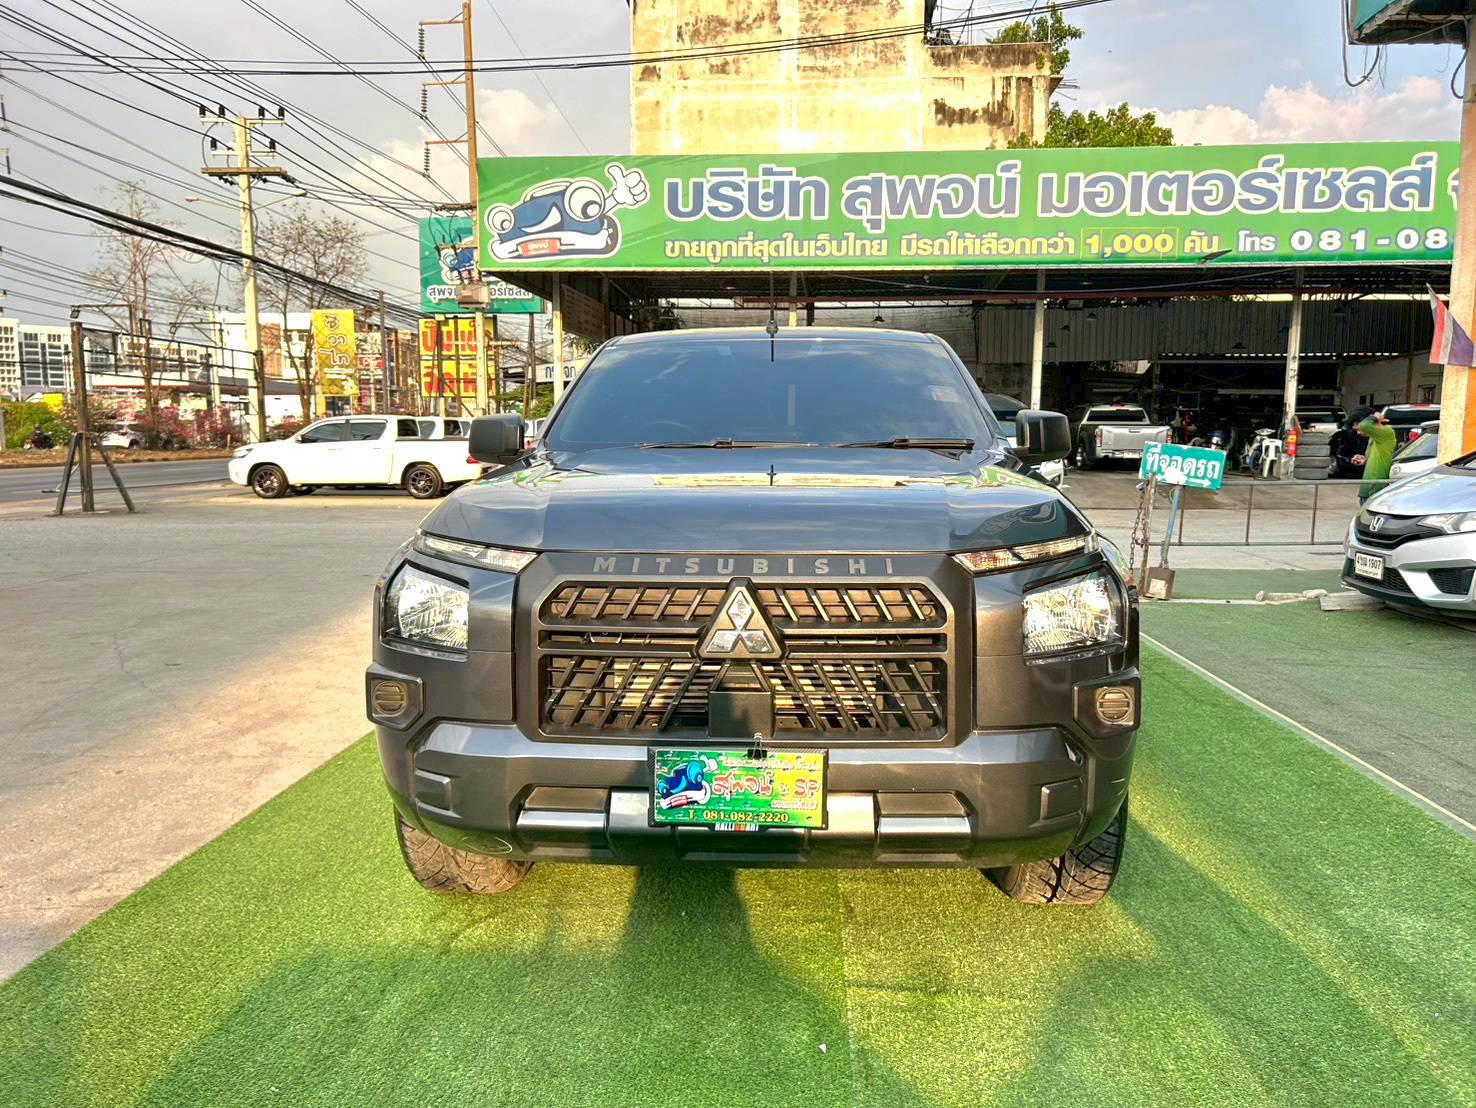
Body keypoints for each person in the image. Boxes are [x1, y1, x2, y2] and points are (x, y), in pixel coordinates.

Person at [1355, 405, 1396, 503]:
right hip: (1366, 490)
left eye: (1358, 428)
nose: (1358, 432)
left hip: (1375, 489)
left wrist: (1374, 417)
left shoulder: (1387, 432)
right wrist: (1365, 459)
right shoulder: (1373, 437)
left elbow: (1364, 426)